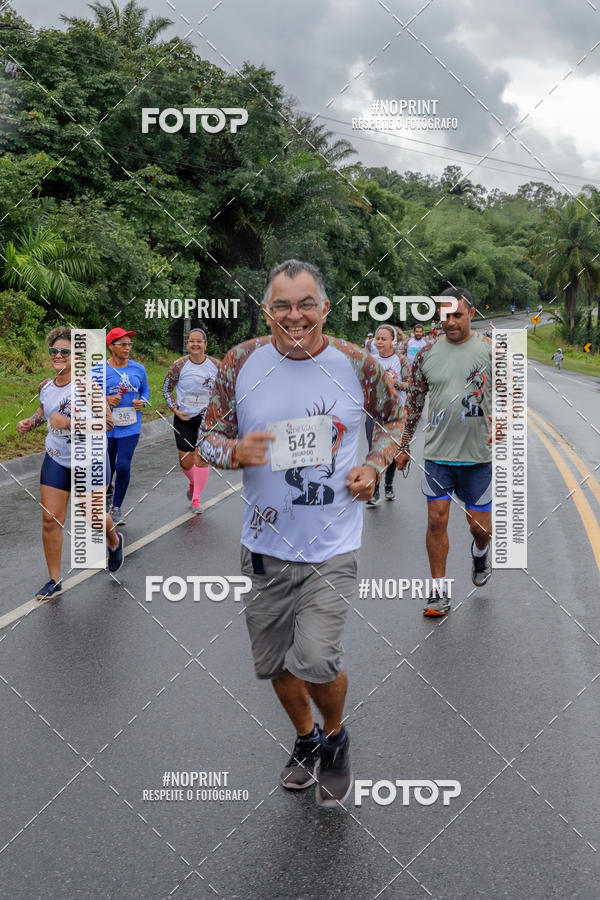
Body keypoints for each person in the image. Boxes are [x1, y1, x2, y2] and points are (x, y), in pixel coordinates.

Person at [200, 259, 402, 808]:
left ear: (325, 308)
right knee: (273, 664)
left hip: (332, 546)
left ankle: (335, 740)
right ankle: (306, 738)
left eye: (306, 303)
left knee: (313, 658)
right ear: (267, 309)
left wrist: (375, 463)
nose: (295, 315)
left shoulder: (357, 363)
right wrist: (232, 451)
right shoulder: (241, 360)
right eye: (283, 305)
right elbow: (208, 435)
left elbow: (393, 419)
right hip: (263, 546)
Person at [396, 286, 493, 616]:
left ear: (471, 314)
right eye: (445, 315)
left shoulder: (492, 351)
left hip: (480, 456)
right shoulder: (425, 354)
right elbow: (413, 404)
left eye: (457, 315)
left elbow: (512, 396)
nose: (450, 321)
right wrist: (404, 444)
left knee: (481, 529)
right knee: (436, 522)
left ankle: (480, 554)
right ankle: (438, 592)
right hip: (438, 456)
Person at [17, 328, 124, 601]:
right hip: (57, 457)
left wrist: (71, 423)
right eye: (54, 351)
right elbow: (45, 411)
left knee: (93, 517)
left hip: (89, 459)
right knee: (50, 518)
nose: (59, 356)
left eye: (65, 351)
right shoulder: (46, 386)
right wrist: (31, 423)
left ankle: (114, 541)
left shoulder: (88, 386)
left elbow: (108, 422)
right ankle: (54, 579)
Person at [93, 328, 150, 525]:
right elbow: (86, 395)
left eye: (129, 344)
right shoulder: (98, 370)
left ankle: (116, 508)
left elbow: (145, 390)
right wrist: (105, 399)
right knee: (106, 467)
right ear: (111, 346)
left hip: (130, 426)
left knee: (123, 466)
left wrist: (142, 402)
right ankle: (107, 493)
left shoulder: (138, 369)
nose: (127, 348)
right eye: (123, 344)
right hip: (106, 426)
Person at [162, 328, 218, 512]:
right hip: (184, 418)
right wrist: (175, 410)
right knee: (186, 461)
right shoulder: (178, 365)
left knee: (202, 458)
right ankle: (194, 484)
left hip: (206, 420)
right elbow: (166, 389)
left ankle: (196, 500)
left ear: (205, 344)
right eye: (192, 341)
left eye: (199, 341)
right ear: (187, 344)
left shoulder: (216, 365)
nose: (195, 344)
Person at [365, 324, 409, 505]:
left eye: (384, 339)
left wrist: (394, 383)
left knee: (390, 451)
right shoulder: (371, 360)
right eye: (378, 338)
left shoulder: (402, 361)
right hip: (374, 412)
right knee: (374, 451)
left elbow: (410, 385)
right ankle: (374, 492)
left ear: (393, 341)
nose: (380, 341)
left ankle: (388, 486)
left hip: (394, 413)